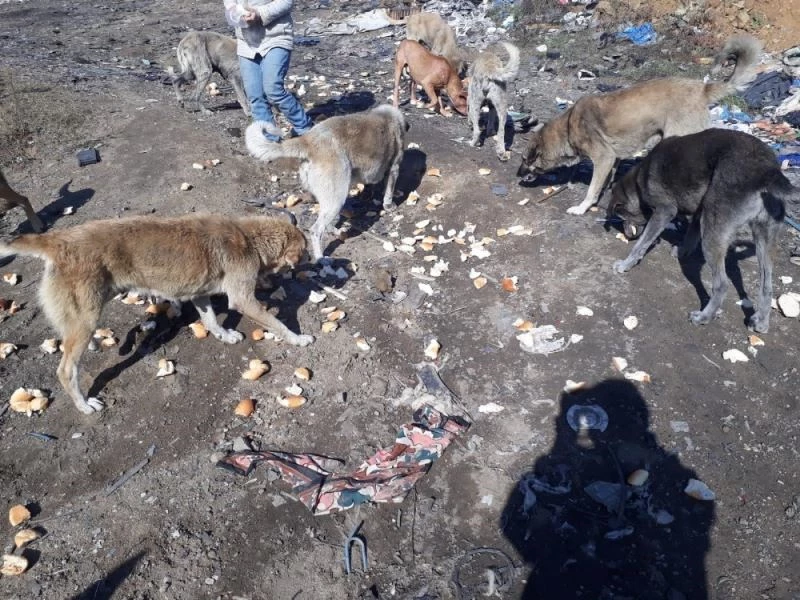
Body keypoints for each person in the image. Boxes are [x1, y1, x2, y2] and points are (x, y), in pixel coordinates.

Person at [224, 0, 313, 142]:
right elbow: (230, 6)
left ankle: (305, 128)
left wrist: (259, 13)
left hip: (276, 36)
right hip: (246, 42)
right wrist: (235, 14)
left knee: (273, 90)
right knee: (255, 95)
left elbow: (286, 2)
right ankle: (270, 140)